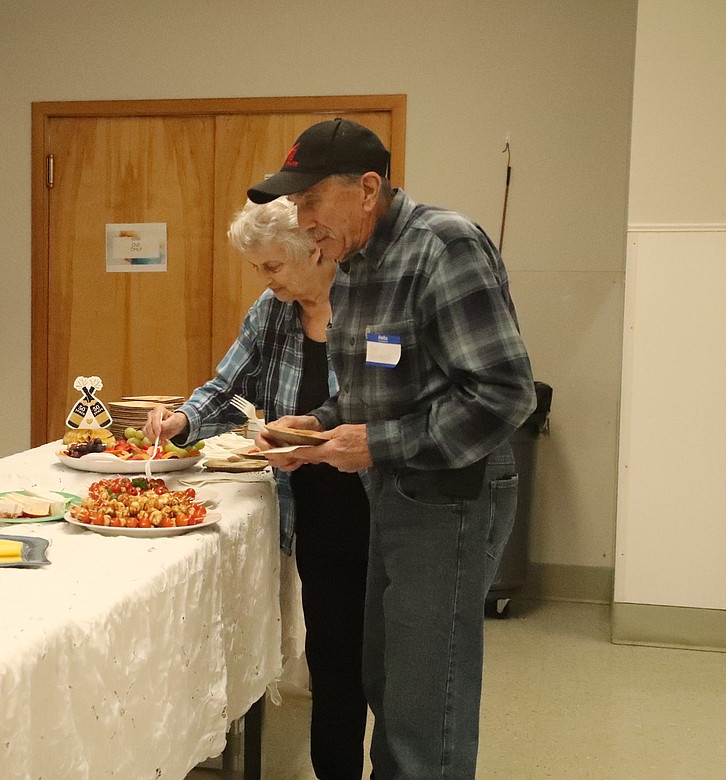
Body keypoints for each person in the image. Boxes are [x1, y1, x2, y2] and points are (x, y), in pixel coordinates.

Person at [248, 118, 536, 780]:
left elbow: (503, 396)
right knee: (383, 676)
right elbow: (368, 394)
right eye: (295, 204)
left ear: (368, 188)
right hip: (397, 494)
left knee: (422, 702)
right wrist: (311, 432)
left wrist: (377, 443)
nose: (302, 218)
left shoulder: (445, 246)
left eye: (311, 200)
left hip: (452, 495)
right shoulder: (353, 271)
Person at [145, 197, 372, 779]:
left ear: (314, 251)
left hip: (385, 502)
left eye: (272, 266)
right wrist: (182, 422)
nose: (265, 281)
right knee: (334, 659)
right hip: (318, 507)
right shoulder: (273, 312)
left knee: (392, 666)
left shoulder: (371, 303)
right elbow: (226, 386)